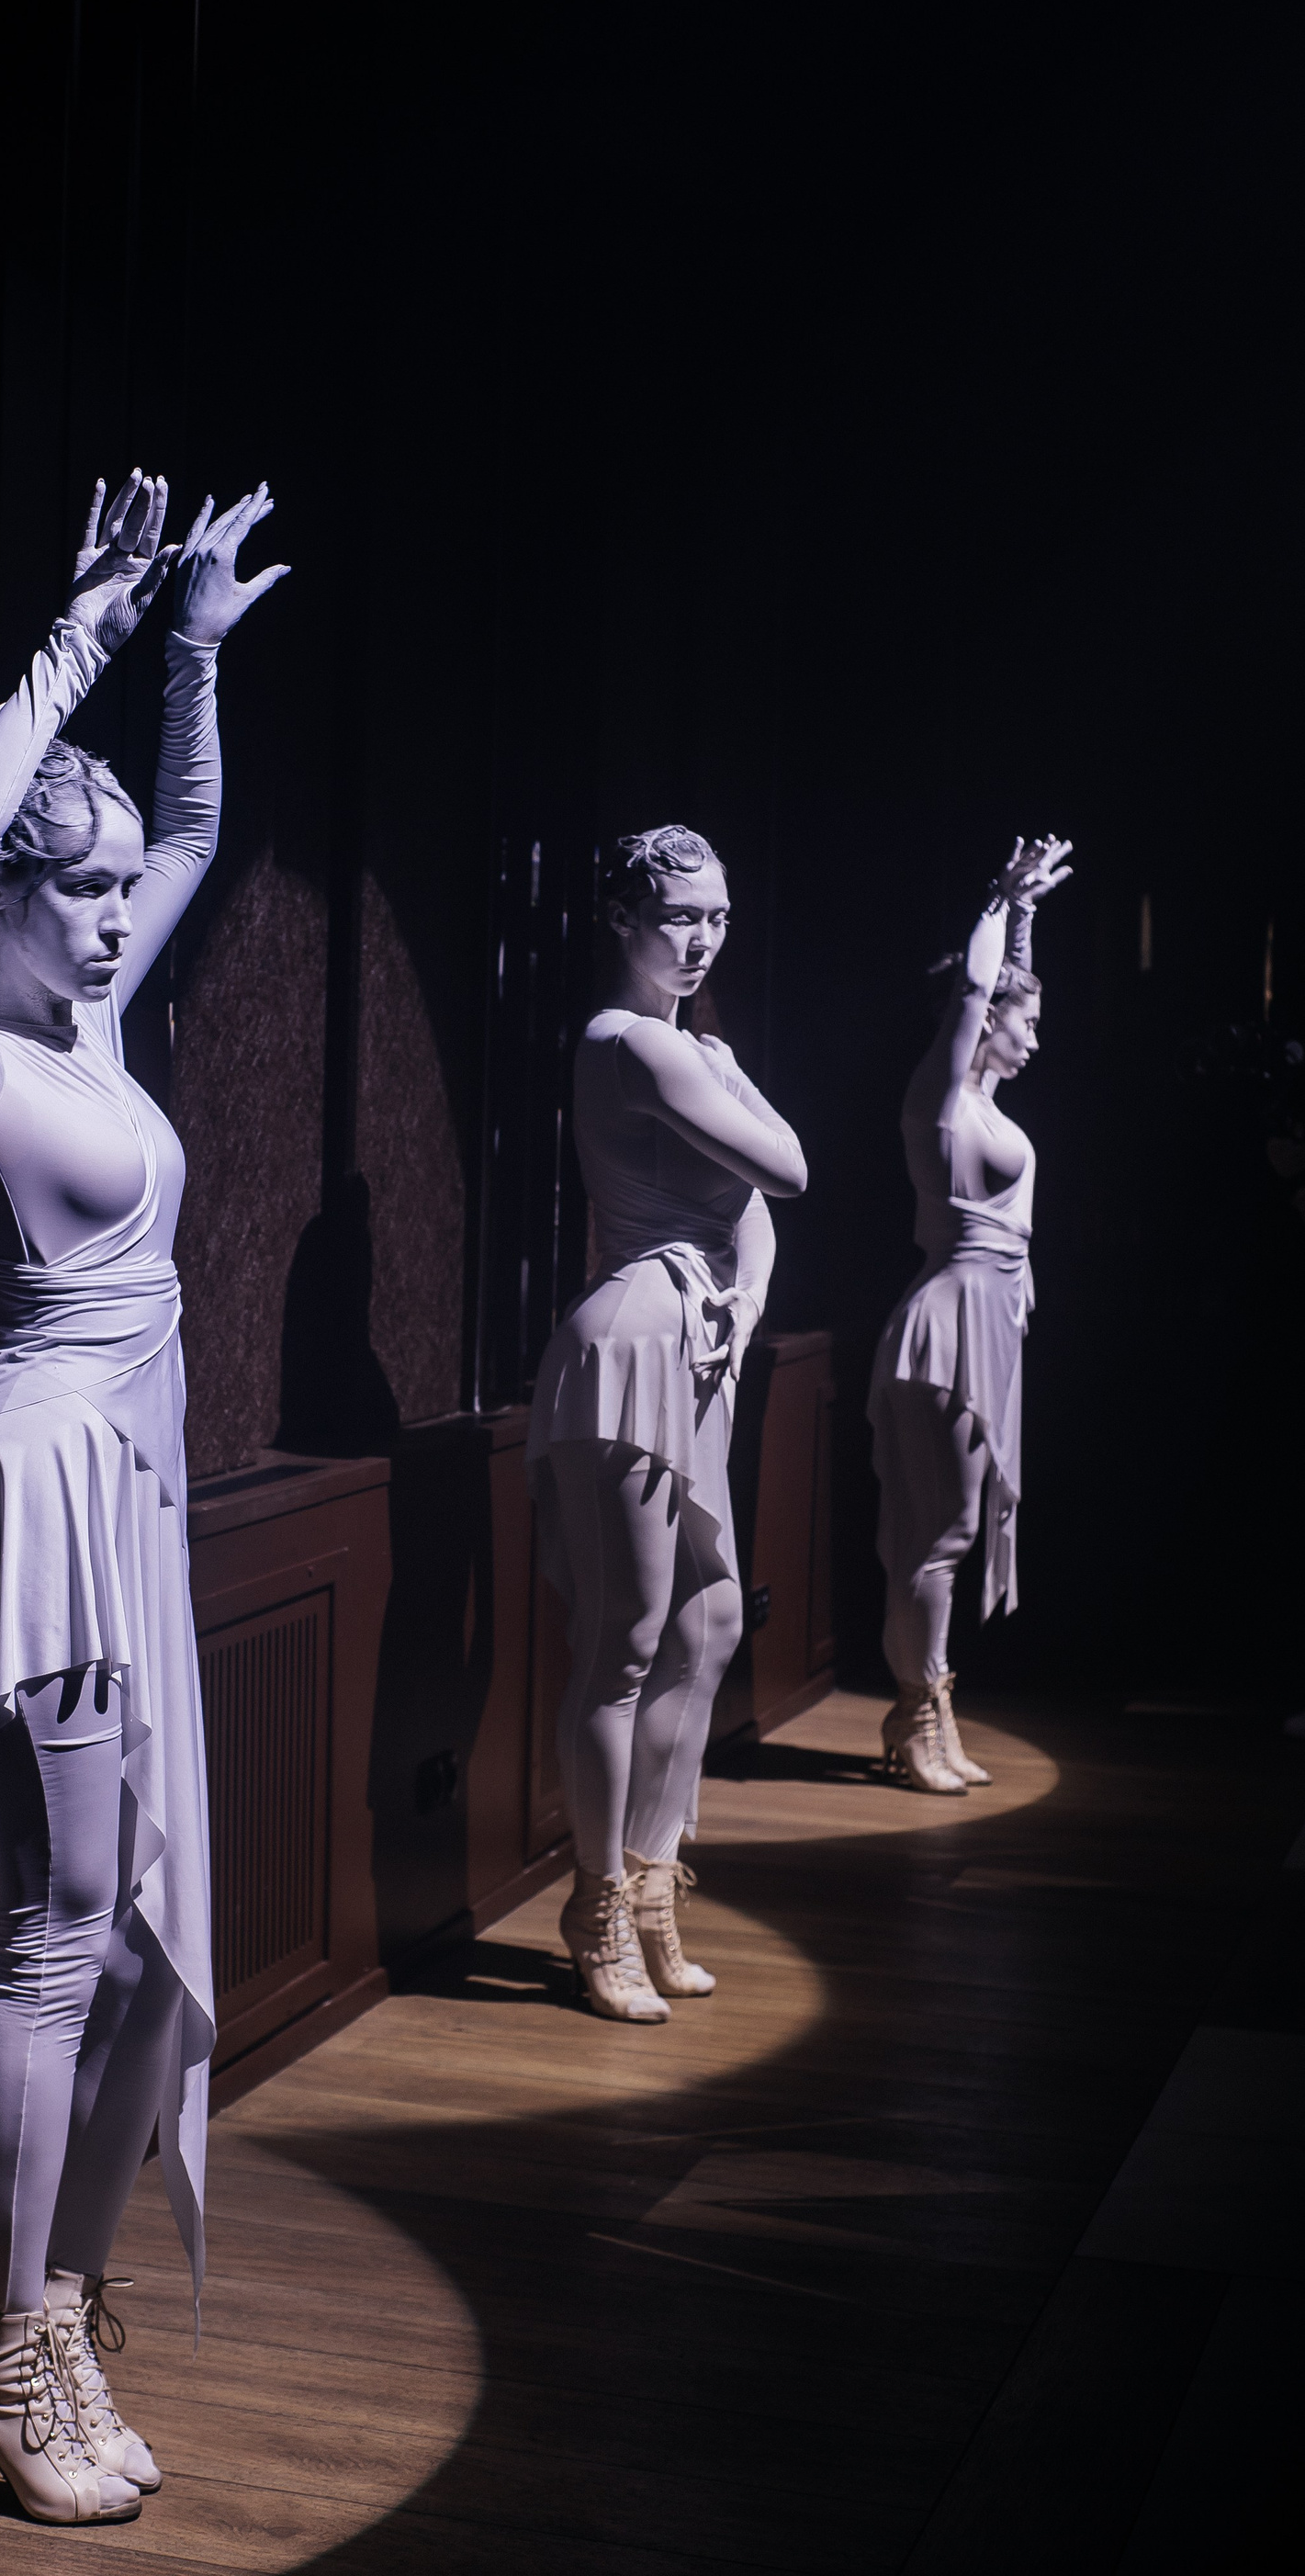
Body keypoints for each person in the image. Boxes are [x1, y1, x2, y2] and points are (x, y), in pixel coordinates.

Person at [0, 469, 287, 2524]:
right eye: (85, 892)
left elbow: (192, 834)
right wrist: (88, 631)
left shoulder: (94, 1020)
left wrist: (193, 659)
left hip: (131, 1497)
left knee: (120, 1951)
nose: (120, 917)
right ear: (17, 907)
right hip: (41, 1491)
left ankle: (53, 2308)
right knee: (48, 1941)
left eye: (119, 894)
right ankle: (0, 2357)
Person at [527, 828, 807, 2024]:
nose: (701, 939)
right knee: (626, 1641)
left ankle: (649, 1886)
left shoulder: (696, 1050)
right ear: (622, 918)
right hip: (632, 1343)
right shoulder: (632, 1043)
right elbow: (788, 1168)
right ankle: (595, 1906)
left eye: (718, 916)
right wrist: (728, 1079)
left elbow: (757, 1216)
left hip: (693, 1346)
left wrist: (749, 1302)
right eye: (679, 915)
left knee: (712, 1621)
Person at [868, 832, 1073, 1793]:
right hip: (947, 1328)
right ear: (985, 1019)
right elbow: (977, 990)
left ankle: (929, 1711)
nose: (1035, 1040)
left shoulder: (983, 1108)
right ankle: (918, 1718)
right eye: (1024, 1023)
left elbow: (1003, 983)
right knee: (938, 1535)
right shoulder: (939, 1105)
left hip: (990, 1325)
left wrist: (1024, 914)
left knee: (945, 1533)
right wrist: (998, 898)